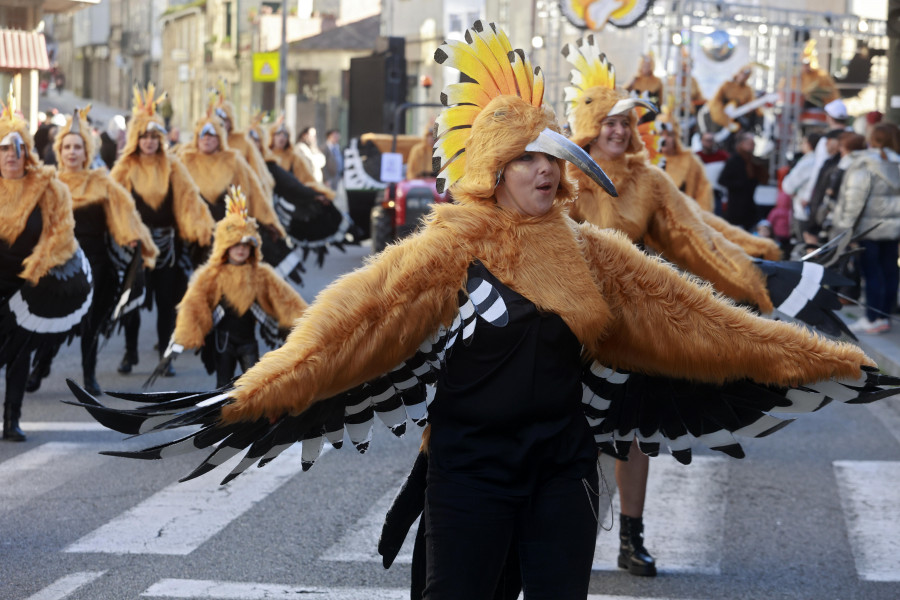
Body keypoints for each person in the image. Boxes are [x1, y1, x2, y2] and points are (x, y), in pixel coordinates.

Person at [68, 23, 894, 600]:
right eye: (526, 159)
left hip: (563, 464)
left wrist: (815, 357)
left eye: (550, 157)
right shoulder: (448, 248)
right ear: (494, 170)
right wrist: (253, 395)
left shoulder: (596, 252)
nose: (544, 171)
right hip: (467, 466)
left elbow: (699, 318)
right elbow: (353, 326)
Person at [1, 97, 92, 441]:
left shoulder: (48, 188)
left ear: (28, 153)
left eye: (19, 148)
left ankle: (11, 419)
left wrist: (40, 264)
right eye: (5, 148)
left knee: (19, 353)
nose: (12, 155)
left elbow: (61, 231)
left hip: (28, 284)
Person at [110, 84, 215, 376]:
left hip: (169, 247)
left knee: (169, 305)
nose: (149, 142)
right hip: (137, 247)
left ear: (160, 139)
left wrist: (202, 228)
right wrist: (126, 234)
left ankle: (166, 357)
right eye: (144, 136)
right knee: (132, 302)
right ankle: (129, 354)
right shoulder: (124, 168)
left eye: (154, 137)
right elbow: (116, 205)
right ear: (136, 139)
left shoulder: (174, 167)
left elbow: (190, 202)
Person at [52, 107, 159, 394]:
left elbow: (122, 215)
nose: (72, 152)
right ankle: (39, 366)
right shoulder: (49, 184)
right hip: (58, 262)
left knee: (91, 323)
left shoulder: (102, 181)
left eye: (78, 147)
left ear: (86, 151)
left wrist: (132, 239)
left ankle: (89, 376)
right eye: (67, 147)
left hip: (96, 262)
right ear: (59, 151)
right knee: (51, 320)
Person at [169, 188, 307, 387]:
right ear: (225, 248)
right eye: (235, 245)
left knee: (254, 386)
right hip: (223, 342)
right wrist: (189, 332)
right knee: (222, 387)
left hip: (248, 343)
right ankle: (222, 417)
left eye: (246, 245)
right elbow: (193, 303)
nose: (241, 249)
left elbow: (287, 301)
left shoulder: (262, 274)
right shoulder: (212, 275)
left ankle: (251, 417)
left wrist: (309, 326)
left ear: (253, 248)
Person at [830, 122, 900, 334]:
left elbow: (853, 200)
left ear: (874, 139)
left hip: (868, 229)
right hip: (894, 228)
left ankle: (871, 318)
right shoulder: (897, 163)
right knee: (890, 271)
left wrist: (845, 230)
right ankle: (884, 317)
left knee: (872, 273)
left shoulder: (864, 163)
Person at [719, 131, 767, 231]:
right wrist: (740, 184)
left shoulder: (753, 160)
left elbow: (761, 178)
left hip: (749, 204)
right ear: (742, 144)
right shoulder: (734, 160)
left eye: (753, 144)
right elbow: (723, 180)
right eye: (750, 144)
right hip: (736, 205)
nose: (752, 146)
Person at [781, 131, 822, 242]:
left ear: (809, 144)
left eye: (803, 142)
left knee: (805, 244)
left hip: (804, 210)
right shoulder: (821, 160)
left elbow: (788, 185)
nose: (801, 145)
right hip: (816, 210)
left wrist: (793, 191)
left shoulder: (809, 162)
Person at [708, 65, 760, 136]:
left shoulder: (748, 90)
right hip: (722, 115)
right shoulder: (727, 85)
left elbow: (751, 105)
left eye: (746, 75)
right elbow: (716, 101)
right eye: (742, 73)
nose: (743, 76)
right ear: (739, 72)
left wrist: (751, 110)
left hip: (738, 118)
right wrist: (723, 117)